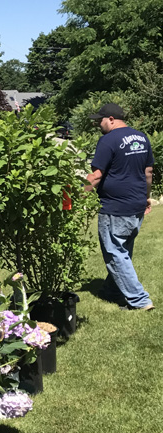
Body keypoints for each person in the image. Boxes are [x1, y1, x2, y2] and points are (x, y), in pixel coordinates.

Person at [85, 102, 154, 310]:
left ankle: (139, 300)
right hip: (136, 204)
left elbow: (96, 176)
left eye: (100, 120)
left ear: (111, 119)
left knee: (115, 253)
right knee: (122, 251)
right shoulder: (142, 137)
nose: (98, 124)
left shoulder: (108, 140)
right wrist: (146, 197)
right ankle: (112, 290)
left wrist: (76, 196)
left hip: (115, 206)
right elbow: (148, 172)